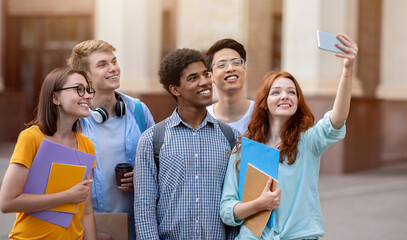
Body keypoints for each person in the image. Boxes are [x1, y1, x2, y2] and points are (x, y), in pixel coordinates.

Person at [220, 33, 358, 239]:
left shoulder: (309, 142)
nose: (285, 96)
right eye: (276, 92)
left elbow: (336, 120)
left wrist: (347, 70)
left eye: (291, 92)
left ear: (297, 101)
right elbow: (227, 210)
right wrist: (259, 204)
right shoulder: (244, 149)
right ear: (264, 103)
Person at [134, 48, 240, 239]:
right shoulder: (152, 140)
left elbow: (236, 203)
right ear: (175, 89)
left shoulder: (231, 137)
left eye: (206, 74)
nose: (205, 82)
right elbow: (144, 208)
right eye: (193, 78)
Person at [67, 40, 155, 239]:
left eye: (113, 61)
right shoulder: (74, 120)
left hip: (137, 224)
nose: (113, 68)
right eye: (102, 64)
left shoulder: (138, 110)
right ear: (85, 77)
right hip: (92, 226)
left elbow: (158, 161)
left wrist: (143, 177)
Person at [0, 68, 97, 239]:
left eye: (88, 90)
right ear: (55, 98)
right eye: (79, 89)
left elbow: (87, 210)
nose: (87, 95)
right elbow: (7, 202)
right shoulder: (31, 138)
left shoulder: (86, 145)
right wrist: (67, 196)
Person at [205, 38, 255, 135]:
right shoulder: (203, 120)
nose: (230, 68)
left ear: (244, 70)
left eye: (236, 63)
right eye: (221, 65)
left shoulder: (263, 114)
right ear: (210, 76)